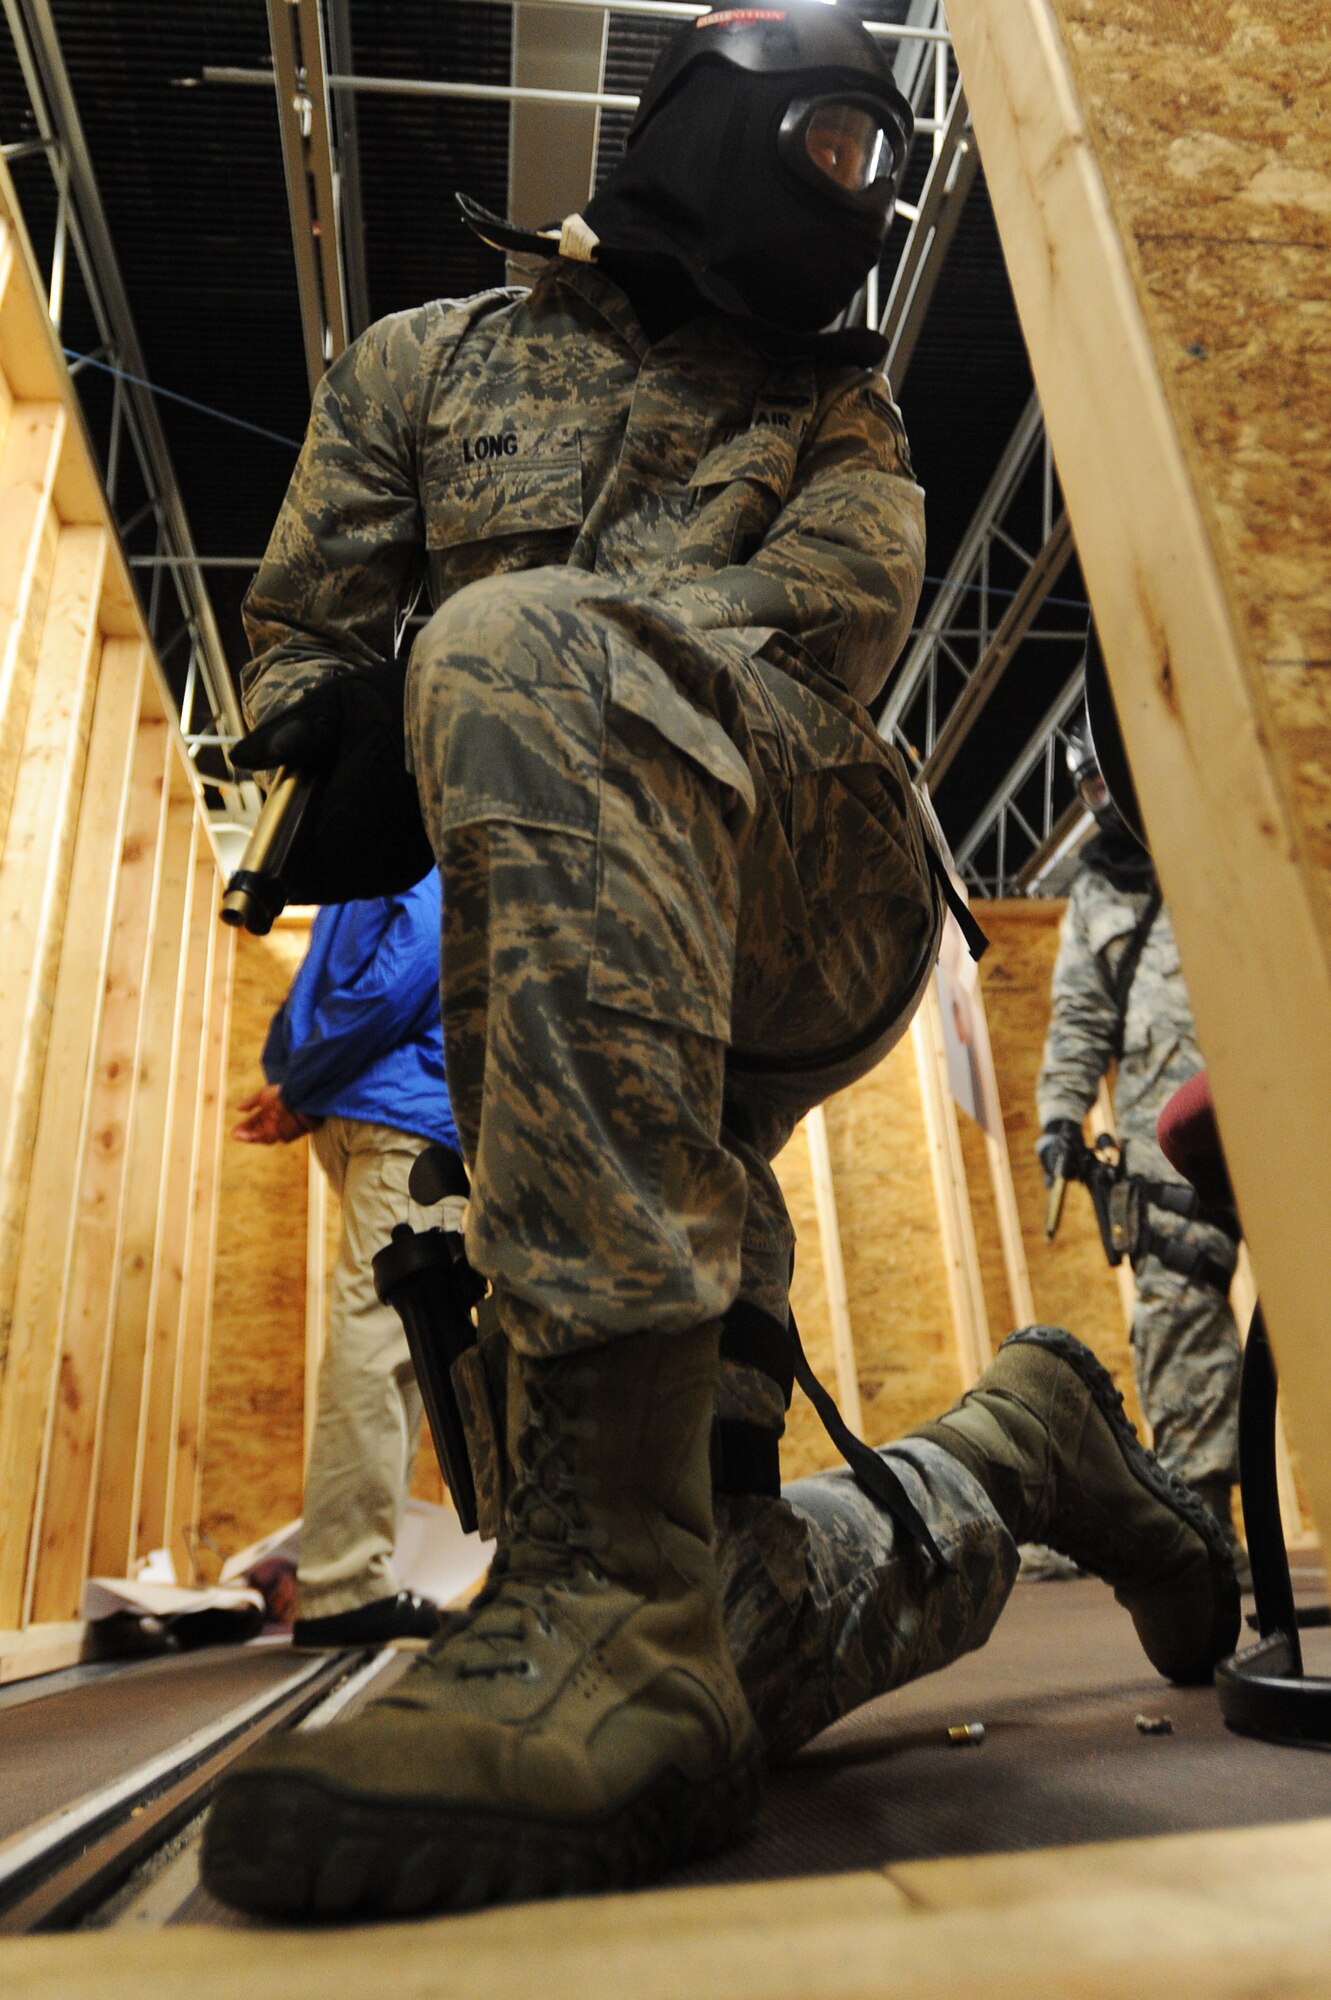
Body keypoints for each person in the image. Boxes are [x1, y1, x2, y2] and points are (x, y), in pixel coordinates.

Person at [202, 4, 1238, 1919]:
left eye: (879, 171)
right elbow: (299, 638)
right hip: (556, 960)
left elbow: (827, 623)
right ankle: (1008, 1456)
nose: (854, 199)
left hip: (808, 889)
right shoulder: (423, 365)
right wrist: (334, 730)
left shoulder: (838, 408)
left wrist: (474, 669)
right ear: (708, 118)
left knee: (522, 648)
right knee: (716, 1623)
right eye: (829, 146)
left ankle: (606, 1594)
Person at [1035, 712, 1245, 1565]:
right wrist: (1059, 1116)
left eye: (1103, 777)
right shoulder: (1094, 893)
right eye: (1083, 785)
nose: (1097, 798)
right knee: (1177, 1308)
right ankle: (1206, 1534)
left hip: (1271, 1090)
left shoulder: (1218, 832)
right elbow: (1079, 1016)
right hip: (1167, 1135)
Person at [233, 875, 461, 1647]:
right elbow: (415, 961)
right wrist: (298, 1091)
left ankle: (351, 1577)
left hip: (361, 1115)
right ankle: (344, 1589)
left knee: (398, 1343)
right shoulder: (419, 841)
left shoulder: (349, 870)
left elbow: (301, 1009)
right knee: (385, 1338)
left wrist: (296, 1086)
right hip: (406, 1113)